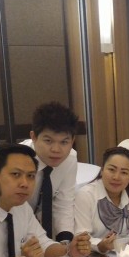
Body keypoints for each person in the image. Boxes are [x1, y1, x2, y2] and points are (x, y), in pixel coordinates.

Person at [21, 102, 79, 242]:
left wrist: (65, 241)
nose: (56, 150)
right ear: (34, 137)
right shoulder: (18, 159)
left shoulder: (70, 159)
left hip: (42, 233)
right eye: (48, 141)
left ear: (73, 140)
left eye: (64, 142)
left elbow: (64, 203)